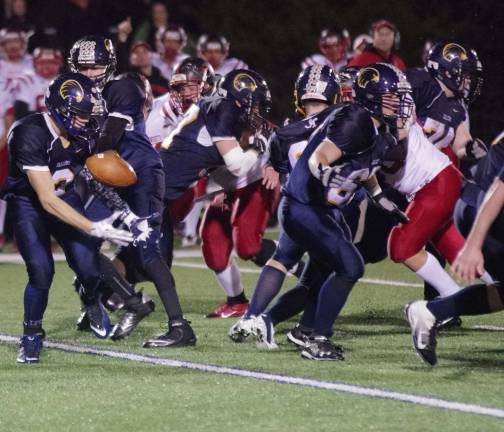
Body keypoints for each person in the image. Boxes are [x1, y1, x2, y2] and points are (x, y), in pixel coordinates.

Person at [69, 35, 196, 347]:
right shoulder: (79, 94)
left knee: (147, 250)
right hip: (108, 174)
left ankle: (180, 326)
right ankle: (124, 302)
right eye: (82, 67)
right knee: (81, 243)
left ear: (108, 65)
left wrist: (76, 155)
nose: (88, 73)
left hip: (140, 174)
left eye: (95, 66)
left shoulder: (124, 86)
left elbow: (108, 137)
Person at [0, 73, 134, 363]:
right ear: (61, 110)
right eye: (81, 115)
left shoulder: (84, 131)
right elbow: (47, 199)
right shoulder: (29, 134)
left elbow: (96, 172)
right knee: (41, 270)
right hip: (31, 205)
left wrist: (120, 207)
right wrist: (94, 226)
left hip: (66, 195)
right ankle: (32, 334)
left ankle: (90, 301)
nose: (87, 121)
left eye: (89, 115)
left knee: (88, 265)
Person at [229, 64, 342, 339]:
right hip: (326, 210)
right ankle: (306, 328)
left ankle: (250, 317)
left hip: (294, 208)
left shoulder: (288, 129)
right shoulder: (339, 124)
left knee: (281, 260)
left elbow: (274, 162)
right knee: (329, 271)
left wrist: (271, 167)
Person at [159, 69, 273, 309]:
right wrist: (256, 147)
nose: (255, 113)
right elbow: (225, 162)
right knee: (213, 244)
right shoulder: (223, 109)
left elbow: (251, 158)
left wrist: (275, 163)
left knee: (249, 246)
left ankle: (305, 272)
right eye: (253, 106)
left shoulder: (221, 110)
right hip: (231, 183)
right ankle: (237, 302)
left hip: (256, 181)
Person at [405, 165, 504, 366]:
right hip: (483, 209)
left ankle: (431, 312)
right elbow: (500, 187)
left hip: (477, 205)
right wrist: (474, 243)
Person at [13, 46, 63, 119]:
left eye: (52, 62)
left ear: (60, 64)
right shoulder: (27, 80)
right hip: (34, 125)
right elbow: (21, 113)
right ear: (34, 64)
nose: (46, 66)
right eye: (41, 62)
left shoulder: (66, 81)